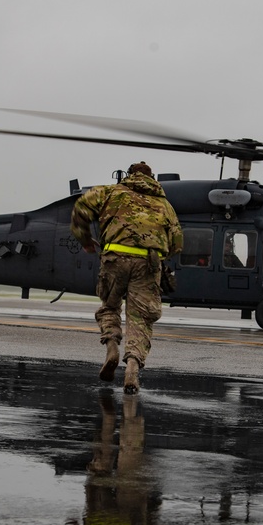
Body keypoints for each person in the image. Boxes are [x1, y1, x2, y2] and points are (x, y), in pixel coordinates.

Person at [70, 161, 183, 393]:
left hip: (114, 258)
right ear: (152, 179)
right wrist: (159, 255)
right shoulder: (164, 205)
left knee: (110, 307)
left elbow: (81, 208)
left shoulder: (110, 192)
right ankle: (132, 366)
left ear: (129, 176)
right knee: (140, 319)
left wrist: (86, 241)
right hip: (147, 265)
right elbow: (177, 243)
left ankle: (112, 347)